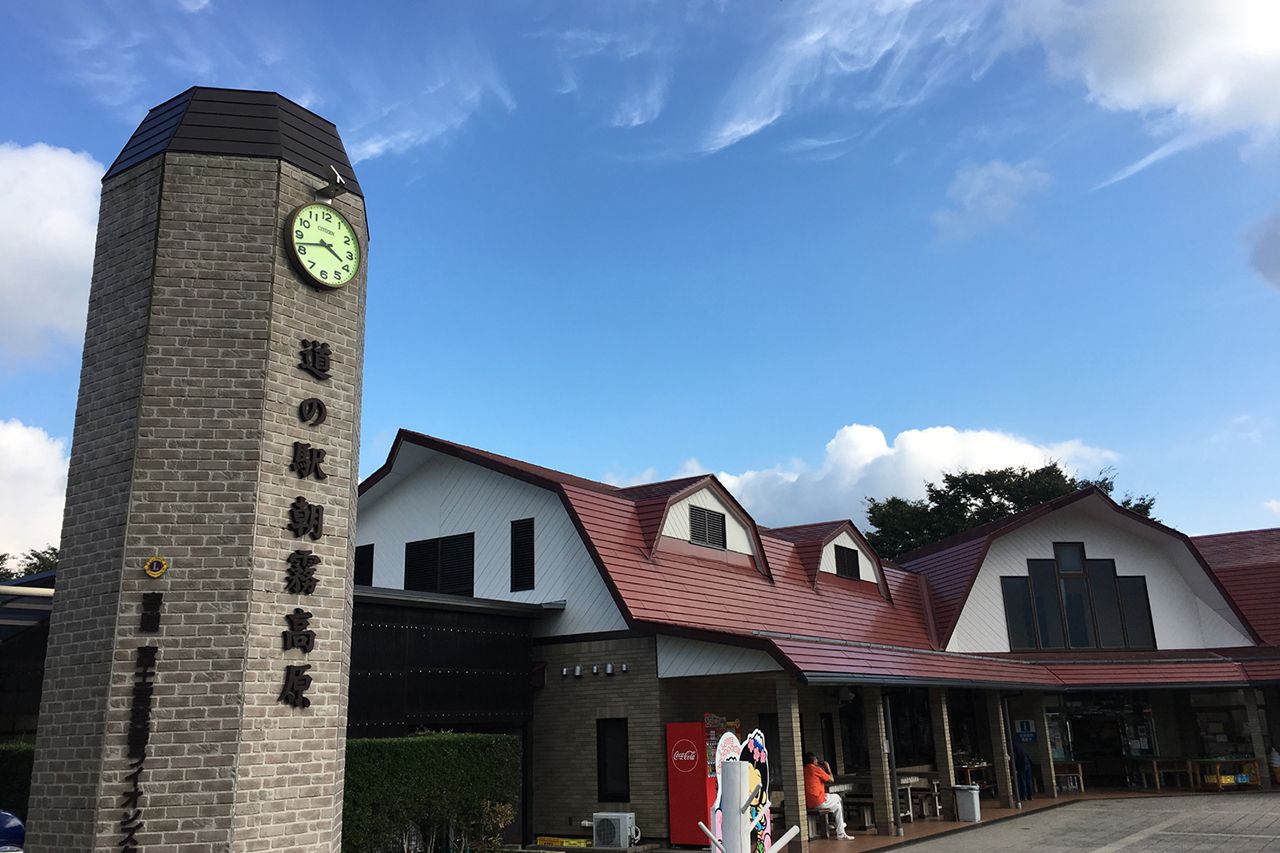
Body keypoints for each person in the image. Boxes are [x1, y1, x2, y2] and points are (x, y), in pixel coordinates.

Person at [803, 752, 851, 840]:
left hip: (808, 802)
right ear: (813, 761)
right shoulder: (815, 769)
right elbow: (831, 780)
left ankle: (840, 830)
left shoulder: (803, 770)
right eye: (816, 759)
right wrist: (828, 768)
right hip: (818, 800)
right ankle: (837, 825)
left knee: (837, 807)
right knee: (838, 797)